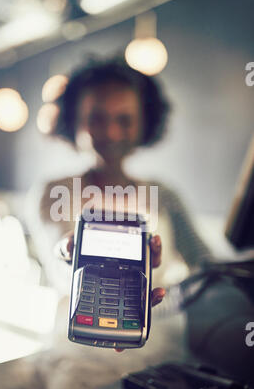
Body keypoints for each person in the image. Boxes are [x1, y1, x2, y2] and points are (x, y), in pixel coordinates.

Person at [27, 57, 212, 303]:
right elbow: (62, 271)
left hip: (162, 338)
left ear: (143, 124)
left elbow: (207, 268)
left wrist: (170, 299)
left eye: (124, 120)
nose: (111, 133)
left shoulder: (164, 195)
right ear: (75, 121)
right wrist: (67, 255)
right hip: (76, 335)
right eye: (97, 119)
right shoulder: (54, 192)